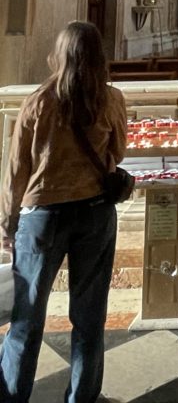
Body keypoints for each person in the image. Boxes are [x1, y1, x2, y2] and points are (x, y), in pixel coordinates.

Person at [0, 21, 127, 403]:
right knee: (89, 319)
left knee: (26, 317)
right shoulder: (110, 99)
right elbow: (119, 153)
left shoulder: (39, 101)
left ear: (60, 54)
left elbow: (16, 169)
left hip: (44, 216)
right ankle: (81, 397)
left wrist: (7, 223)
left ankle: (12, 396)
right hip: (94, 212)